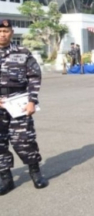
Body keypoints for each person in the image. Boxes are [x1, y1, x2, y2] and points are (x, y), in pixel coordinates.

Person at [0, 19, 48, 195]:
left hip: (18, 101)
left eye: (6, 31)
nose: (2, 34)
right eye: (0, 31)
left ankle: (35, 172)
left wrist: (32, 100)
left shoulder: (23, 52)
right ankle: (5, 178)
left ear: (11, 33)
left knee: (24, 140)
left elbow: (34, 76)